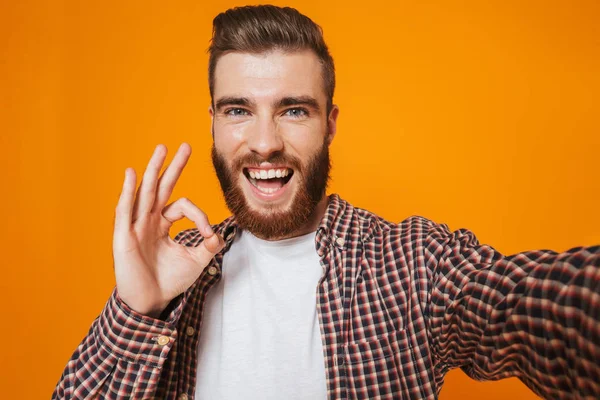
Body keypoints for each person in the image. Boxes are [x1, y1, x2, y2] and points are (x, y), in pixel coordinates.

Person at [53, 5, 599, 400]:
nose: (264, 142)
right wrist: (135, 312)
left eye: (293, 110)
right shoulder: (174, 267)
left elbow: (533, 304)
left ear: (329, 125)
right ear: (215, 124)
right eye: (238, 110)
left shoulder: (411, 262)